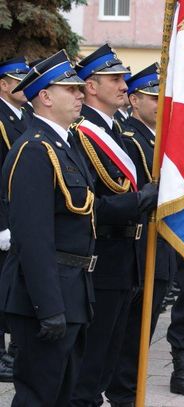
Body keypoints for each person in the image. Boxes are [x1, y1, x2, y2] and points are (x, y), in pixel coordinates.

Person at [0, 49, 94, 407]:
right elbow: (33, 237)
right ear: (46, 96)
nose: (80, 95)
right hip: (46, 295)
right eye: (70, 89)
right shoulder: (35, 150)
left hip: (71, 290)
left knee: (63, 392)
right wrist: (48, 305)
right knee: (38, 396)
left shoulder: (63, 145)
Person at [70, 44, 158, 406]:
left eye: (123, 79)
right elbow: (89, 205)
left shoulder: (116, 129)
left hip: (126, 258)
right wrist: (142, 199)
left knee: (110, 356)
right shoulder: (82, 131)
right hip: (102, 259)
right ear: (91, 86)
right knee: (90, 364)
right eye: (115, 79)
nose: (124, 86)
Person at [105, 64, 178, 404]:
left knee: (142, 330)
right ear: (134, 100)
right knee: (131, 334)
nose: (160, 104)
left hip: (159, 243)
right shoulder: (130, 138)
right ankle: (124, 394)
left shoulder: (156, 138)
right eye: (153, 97)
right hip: (141, 243)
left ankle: (130, 392)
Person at [0, 57, 32, 382]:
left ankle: (12, 351)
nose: (23, 85)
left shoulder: (25, 116)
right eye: (17, 80)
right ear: (3, 85)